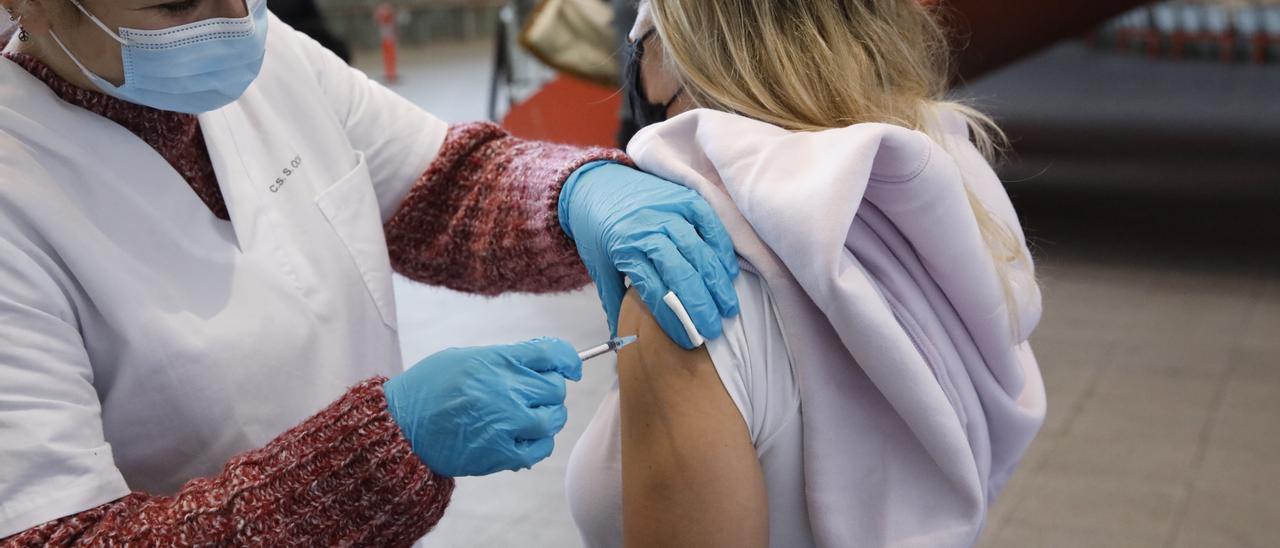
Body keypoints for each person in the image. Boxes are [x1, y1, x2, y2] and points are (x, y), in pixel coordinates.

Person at [0, 0, 741, 544]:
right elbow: (61, 536)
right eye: (176, 4)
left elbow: (449, 185)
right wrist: (382, 448)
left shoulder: (273, 60)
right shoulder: (17, 193)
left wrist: (571, 194)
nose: (231, 21)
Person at [567, 1, 1046, 546]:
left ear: (694, 53)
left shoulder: (689, 299)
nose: (651, 105)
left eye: (640, 47)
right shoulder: (954, 208)